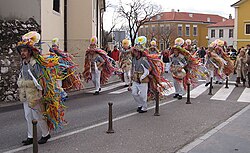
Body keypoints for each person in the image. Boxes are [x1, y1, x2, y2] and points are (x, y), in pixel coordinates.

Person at [17, 32, 50, 145]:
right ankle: (30, 136)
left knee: (38, 115)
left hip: (35, 93)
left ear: (30, 51)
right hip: (26, 93)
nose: (23, 53)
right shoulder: (23, 63)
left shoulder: (34, 63)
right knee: (27, 115)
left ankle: (46, 134)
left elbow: (41, 79)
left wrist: (40, 94)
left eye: (25, 50)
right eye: (21, 51)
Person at [131, 36, 151, 113]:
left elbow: (149, 69)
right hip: (136, 78)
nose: (134, 53)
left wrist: (142, 76)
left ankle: (144, 107)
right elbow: (133, 67)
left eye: (136, 51)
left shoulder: (144, 60)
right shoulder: (133, 59)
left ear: (139, 52)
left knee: (143, 95)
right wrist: (132, 75)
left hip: (143, 79)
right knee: (134, 93)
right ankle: (140, 105)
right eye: (134, 51)